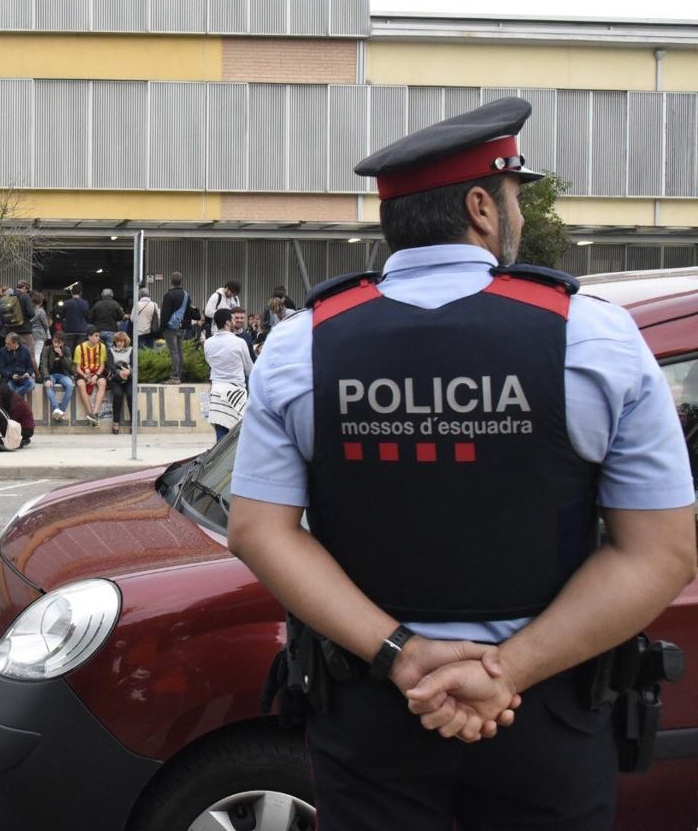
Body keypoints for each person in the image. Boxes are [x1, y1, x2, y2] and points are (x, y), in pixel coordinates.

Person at [227, 96, 696, 831]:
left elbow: (258, 530)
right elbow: (661, 552)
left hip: (373, 709)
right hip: (547, 717)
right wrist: (505, 672)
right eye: (512, 197)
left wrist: (404, 655)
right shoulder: (594, 336)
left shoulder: (301, 343)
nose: (514, 214)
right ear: (482, 206)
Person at [202, 308, 252, 442]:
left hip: (216, 390)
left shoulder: (208, 343)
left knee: (220, 432)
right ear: (228, 322)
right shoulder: (239, 342)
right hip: (237, 391)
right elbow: (249, 369)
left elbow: (209, 362)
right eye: (232, 319)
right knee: (238, 434)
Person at [73, 329, 109, 426]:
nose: (98, 338)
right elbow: (77, 368)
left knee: (102, 382)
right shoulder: (79, 347)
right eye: (96, 335)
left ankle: (95, 413)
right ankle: (90, 414)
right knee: (80, 384)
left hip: (97, 371)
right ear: (89, 337)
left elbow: (102, 366)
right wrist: (85, 376)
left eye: (98, 336)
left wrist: (96, 376)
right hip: (83, 372)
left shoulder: (102, 347)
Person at [160, 271, 191, 383]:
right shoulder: (186, 295)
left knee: (174, 352)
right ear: (180, 281)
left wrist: (162, 328)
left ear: (171, 281)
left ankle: (174, 377)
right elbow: (189, 312)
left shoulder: (169, 295)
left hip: (170, 328)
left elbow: (165, 313)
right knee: (179, 351)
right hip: (182, 327)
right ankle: (179, 375)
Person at [41, 331, 76, 421]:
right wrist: (47, 378)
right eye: (54, 341)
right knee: (48, 385)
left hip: (63, 374)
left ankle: (61, 411)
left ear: (63, 343)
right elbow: (43, 365)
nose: (56, 344)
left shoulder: (66, 350)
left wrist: (61, 355)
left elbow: (69, 366)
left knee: (70, 386)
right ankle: (56, 408)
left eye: (58, 342)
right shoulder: (47, 349)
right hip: (50, 374)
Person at [106, 331, 134, 435]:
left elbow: (134, 363)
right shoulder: (110, 350)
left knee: (131, 395)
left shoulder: (131, 350)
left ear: (125, 341)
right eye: (117, 341)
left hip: (128, 378)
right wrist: (119, 373)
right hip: (115, 379)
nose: (119, 343)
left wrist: (129, 372)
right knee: (118, 395)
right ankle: (116, 422)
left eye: (121, 341)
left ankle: (133, 423)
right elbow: (110, 365)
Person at [0, 331, 36, 398]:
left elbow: (30, 367)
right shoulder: (3, 351)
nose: (6, 345)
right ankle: (16, 397)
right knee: (8, 388)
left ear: (15, 343)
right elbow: (1, 368)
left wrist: (28, 373)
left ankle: (15, 396)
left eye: (8, 344)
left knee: (31, 385)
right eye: (6, 343)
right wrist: (11, 375)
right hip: (10, 378)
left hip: (23, 377)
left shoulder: (25, 350)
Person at [0, 382, 35, 447]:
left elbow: (12, 421)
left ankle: (20, 441)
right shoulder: (9, 398)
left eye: (0, 395)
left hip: (26, 429)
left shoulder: (16, 402)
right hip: (20, 426)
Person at [4, 281, 37, 355]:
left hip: (10, 331)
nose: (28, 292)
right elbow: (31, 313)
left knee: (11, 354)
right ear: (25, 288)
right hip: (24, 331)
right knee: (28, 354)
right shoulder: (25, 296)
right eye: (27, 290)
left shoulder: (8, 296)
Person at [61, 283, 91, 353]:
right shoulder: (85, 303)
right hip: (82, 330)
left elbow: (62, 316)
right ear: (81, 293)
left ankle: (69, 363)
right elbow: (88, 316)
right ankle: (78, 364)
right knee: (80, 351)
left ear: (71, 292)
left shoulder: (66, 303)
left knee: (68, 351)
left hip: (69, 330)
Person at [29, 290, 51, 368]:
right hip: (40, 334)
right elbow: (45, 324)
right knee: (37, 354)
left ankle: (30, 372)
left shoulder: (29, 311)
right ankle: (34, 374)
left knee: (31, 354)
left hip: (30, 333)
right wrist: (48, 335)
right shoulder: (41, 311)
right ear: (41, 302)